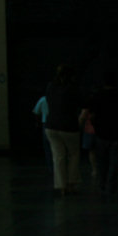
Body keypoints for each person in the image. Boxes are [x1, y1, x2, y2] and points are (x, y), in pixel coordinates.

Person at [45, 64, 83, 196]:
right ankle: (71, 184)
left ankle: (61, 186)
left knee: (58, 157)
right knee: (73, 155)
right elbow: (82, 104)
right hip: (69, 126)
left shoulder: (50, 87)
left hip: (50, 126)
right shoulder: (72, 88)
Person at [86, 71, 118, 196]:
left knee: (102, 162)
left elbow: (91, 115)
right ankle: (111, 186)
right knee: (114, 163)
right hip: (117, 134)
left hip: (101, 134)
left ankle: (102, 184)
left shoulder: (98, 96)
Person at [32, 94, 53, 172]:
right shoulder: (56, 98)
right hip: (57, 123)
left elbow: (36, 112)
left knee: (47, 148)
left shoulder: (43, 99)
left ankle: (51, 168)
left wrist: (38, 123)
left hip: (45, 123)